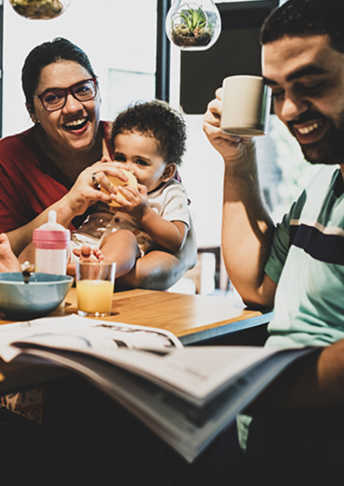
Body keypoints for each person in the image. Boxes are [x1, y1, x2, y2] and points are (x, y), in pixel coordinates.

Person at [203, 0, 344, 475]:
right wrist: (236, 158)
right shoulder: (323, 182)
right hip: (270, 443)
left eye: (311, 86)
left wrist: (234, 388)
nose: (288, 110)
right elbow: (257, 285)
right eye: (277, 91)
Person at [0, 37, 197, 290]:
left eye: (83, 89)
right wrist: (70, 204)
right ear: (32, 111)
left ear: (98, 90)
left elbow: (185, 253)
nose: (73, 107)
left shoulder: (134, 141)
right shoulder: (10, 158)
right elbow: (7, 252)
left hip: (122, 299)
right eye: (53, 98)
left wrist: (88, 274)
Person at [70, 100, 191, 280]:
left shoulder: (171, 192)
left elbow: (176, 240)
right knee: (43, 240)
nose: (127, 168)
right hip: (83, 246)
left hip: (118, 256)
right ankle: (49, 268)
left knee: (124, 237)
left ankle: (96, 271)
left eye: (140, 162)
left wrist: (143, 213)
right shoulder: (109, 179)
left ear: (167, 172)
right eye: (120, 158)